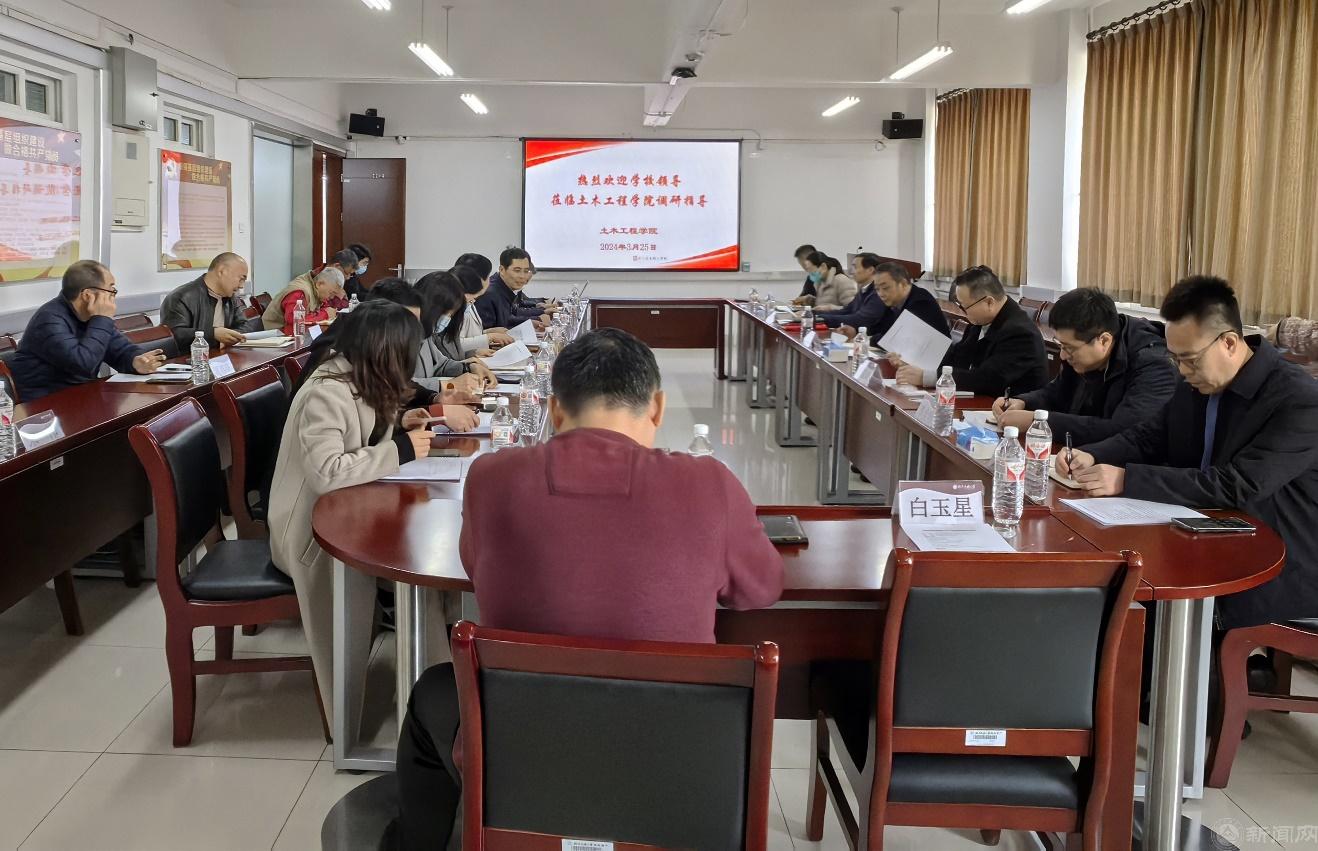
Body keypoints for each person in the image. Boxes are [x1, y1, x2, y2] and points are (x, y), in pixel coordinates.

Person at [394, 328, 784, 849]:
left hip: (522, 757)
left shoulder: (491, 477)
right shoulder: (710, 482)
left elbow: (476, 569)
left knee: (432, 691)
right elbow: (761, 590)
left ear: (555, 410)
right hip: (679, 763)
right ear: (657, 408)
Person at [1060, 276, 1318, 629]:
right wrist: (1093, 454)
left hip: (1275, 562)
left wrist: (1126, 479)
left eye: (1190, 360)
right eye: (1176, 359)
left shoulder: (1299, 400)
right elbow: (1151, 436)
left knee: (1139, 612)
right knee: (1108, 587)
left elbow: (1238, 485)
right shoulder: (1199, 381)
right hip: (1199, 534)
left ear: (1229, 343)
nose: (1182, 371)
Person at [268, 301, 457, 724]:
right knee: (417, 571)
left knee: (425, 574)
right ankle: (433, 712)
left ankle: (439, 693)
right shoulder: (325, 391)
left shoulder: (359, 376)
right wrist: (401, 449)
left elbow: (364, 435)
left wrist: (402, 423)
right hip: (310, 534)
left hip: (347, 512)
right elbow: (328, 472)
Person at [993, 288, 1177, 444]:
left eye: (1069, 348)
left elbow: (1123, 432)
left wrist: (1039, 422)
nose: (1063, 355)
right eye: (1060, 345)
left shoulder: (1154, 366)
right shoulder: (1083, 349)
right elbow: (1058, 392)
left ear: (1104, 340)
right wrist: (1023, 402)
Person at [10, 260, 167, 401]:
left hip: (79, 397)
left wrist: (135, 361)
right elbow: (83, 365)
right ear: (88, 295)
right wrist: (102, 319)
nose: (113, 296)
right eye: (111, 289)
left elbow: (121, 350)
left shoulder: (91, 316)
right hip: (43, 406)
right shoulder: (49, 320)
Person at [893, 265, 1048, 396]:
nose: (962, 311)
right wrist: (916, 360)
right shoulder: (981, 321)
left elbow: (988, 379)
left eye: (964, 306)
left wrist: (928, 377)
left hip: (1012, 411)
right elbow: (958, 358)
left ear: (989, 302)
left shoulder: (1021, 333)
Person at [159, 252, 262, 350]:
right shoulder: (181, 297)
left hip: (221, 355)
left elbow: (245, 326)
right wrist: (213, 334)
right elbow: (174, 336)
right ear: (222, 271)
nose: (241, 286)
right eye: (241, 279)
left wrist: (226, 339)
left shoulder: (230, 296)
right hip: (191, 358)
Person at [414, 271, 497, 391]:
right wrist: (447, 385)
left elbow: (441, 365)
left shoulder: (425, 332)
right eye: (444, 313)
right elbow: (399, 385)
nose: (447, 319)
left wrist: (468, 368)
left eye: (450, 315)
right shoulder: (399, 333)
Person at [841, 261, 949, 343]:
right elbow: (880, 327)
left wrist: (867, 339)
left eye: (885, 288)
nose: (881, 294)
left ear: (903, 284)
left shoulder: (920, 302)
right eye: (877, 289)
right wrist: (856, 332)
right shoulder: (894, 301)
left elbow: (896, 338)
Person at [475, 247, 553, 329]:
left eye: (526, 271)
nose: (522, 276)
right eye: (517, 270)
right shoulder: (490, 293)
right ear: (502, 270)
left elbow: (512, 314)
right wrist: (537, 318)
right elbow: (494, 329)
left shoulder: (505, 288)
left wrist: (536, 317)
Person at [449, 263, 514, 355]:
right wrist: (489, 337)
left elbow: (469, 333)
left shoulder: (469, 301)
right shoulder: (454, 308)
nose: (473, 300)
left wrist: (488, 332)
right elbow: (453, 345)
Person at [262, 267, 344, 335]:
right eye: (331, 293)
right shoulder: (299, 292)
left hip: (294, 335)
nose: (332, 297)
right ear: (319, 284)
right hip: (276, 336)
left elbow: (325, 308)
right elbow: (297, 323)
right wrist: (325, 314)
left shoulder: (317, 290)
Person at [816, 253, 887, 331]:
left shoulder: (877, 293)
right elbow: (846, 311)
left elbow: (859, 319)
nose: (851, 272)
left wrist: (821, 319)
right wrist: (815, 314)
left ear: (870, 270)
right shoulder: (863, 291)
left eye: (855, 267)